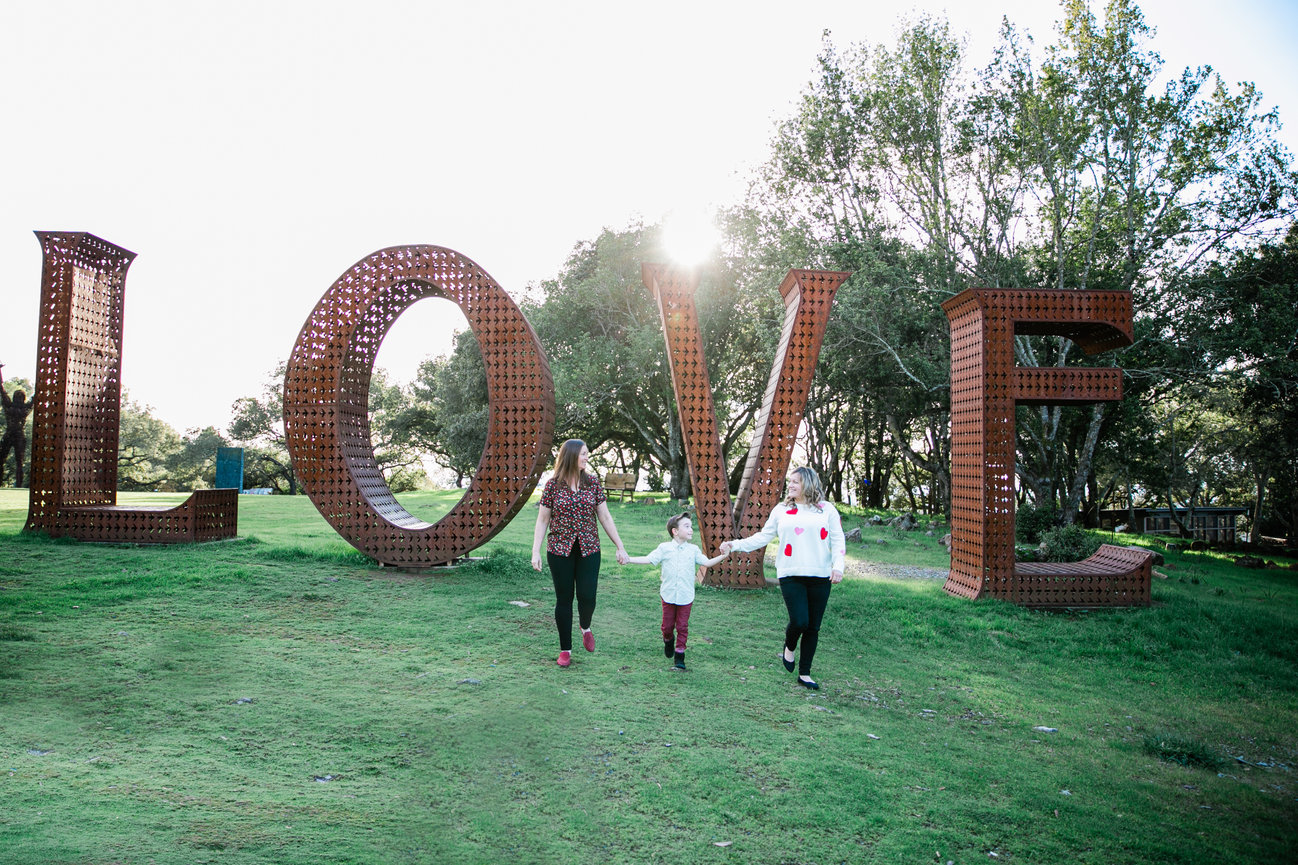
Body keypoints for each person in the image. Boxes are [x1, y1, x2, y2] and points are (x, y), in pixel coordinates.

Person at [722, 466, 845, 690]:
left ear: (808, 483)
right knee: (799, 621)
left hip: (820, 575)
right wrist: (735, 545)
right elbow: (763, 537)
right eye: (790, 481)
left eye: (795, 481)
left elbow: (837, 540)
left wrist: (838, 567)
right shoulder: (781, 510)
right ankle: (789, 645)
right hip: (790, 573)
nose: (791, 485)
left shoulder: (827, 510)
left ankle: (805, 674)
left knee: (813, 627)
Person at [532, 439, 629, 668]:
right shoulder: (552, 485)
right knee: (564, 599)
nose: (586, 458)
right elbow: (543, 520)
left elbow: (604, 516)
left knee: (588, 596)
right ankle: (565, 650)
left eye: (587, 454)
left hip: (589, 549)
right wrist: (535, 551)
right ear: (571, 456)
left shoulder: (592, 483)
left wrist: (620, 545)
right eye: (583, 454)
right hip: (559, 550)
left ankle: (585, 626)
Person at [625, 512, 728, 671]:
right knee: (667, 627)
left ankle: (680, 657)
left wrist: (723, 556)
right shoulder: (664, 548)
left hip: (686, 597)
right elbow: (649, 559)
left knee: (682, 626)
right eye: (687, 526)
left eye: (691, 526)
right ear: (675, 531)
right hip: (668, 595)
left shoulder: (693, 550)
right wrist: (628, 559)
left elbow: (707, 563)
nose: (691, 529)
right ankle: (668, 640)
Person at [0, 364, 35, 488]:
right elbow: (1, 389)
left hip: (13, 434)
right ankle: (17, 485)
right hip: (16, 435)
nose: (19, 399)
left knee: (14, 461)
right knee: (15, 461)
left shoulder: (11, 406)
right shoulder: (22, 408)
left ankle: (18, 485)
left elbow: (2, 389)